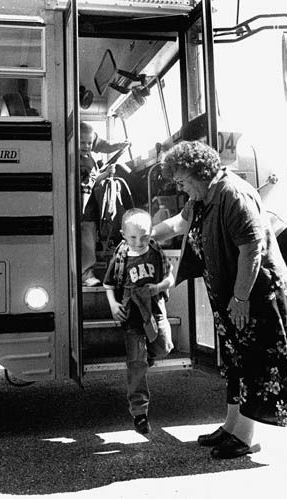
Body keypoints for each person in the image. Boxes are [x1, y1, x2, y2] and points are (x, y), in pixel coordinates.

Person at [151, 140, 287, 458]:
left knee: (252, 363)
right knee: (235, 362)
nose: (180, 187)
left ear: (199, 173)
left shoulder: (234, 194)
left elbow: (251, 249)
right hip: (231, 293)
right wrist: (147, 234)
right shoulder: (204, 195)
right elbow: (180, 223)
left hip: (255, 294)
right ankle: (231, 426)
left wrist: (241, 298)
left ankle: (246, 437)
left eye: (181, 180)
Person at [103, 208, 174, 434]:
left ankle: (146, 359)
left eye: (144, 236)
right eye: (133, 237)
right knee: (136, 363)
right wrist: (114, 305)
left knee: (164, 347)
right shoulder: (121, 257)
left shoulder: (155, 252)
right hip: (132, 314)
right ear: (124, 234)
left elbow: (169, 278)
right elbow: (108, 284)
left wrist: (158, 287)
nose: (139, 242)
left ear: (151, 232)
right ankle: (140, 413)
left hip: (155, 311)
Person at [80, 121, 130, 286]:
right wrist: (104, 175)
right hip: (81, 210)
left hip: (89, 208)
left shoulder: (88, 157)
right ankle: (86, 274)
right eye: (82, 143)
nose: (86, 146)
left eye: (89, 143)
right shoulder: (76, 160)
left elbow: (104, 145)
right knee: (86, 240)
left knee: (88, 239)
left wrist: (120, 145)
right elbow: (88, 182)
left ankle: (86, 272)